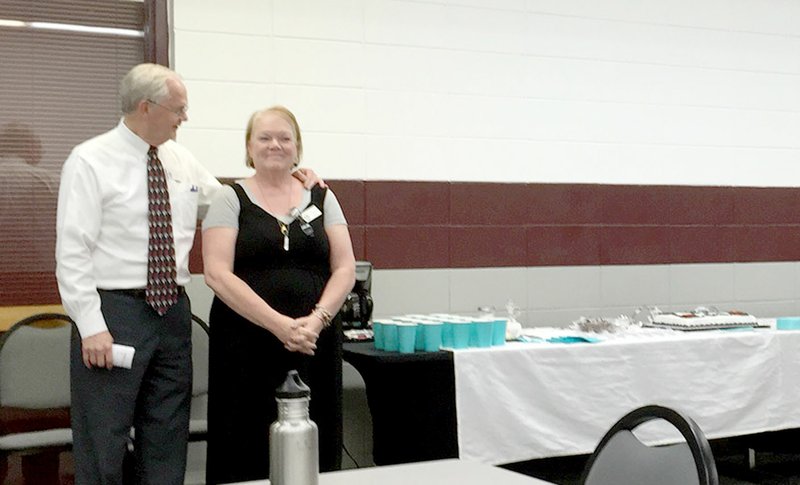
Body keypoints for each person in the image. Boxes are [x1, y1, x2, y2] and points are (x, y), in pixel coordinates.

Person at [55, 64, 322, 484]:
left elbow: (234, 203)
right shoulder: (89, 161)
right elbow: (72, 252)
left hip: (172, 312)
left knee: (167, 434)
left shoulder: (179, 159)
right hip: (114, 312)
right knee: (103, 439)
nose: (185, 117)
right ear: (147, 107)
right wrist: (90, 325)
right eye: (179, 109)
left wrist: (287, 180)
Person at [202, 106, 356, 484]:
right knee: (244, 437)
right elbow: (217, 274)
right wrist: (280, 326)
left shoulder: (321, 196)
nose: (275, 145)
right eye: (265, 138)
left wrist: (317, 321)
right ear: (249, 147)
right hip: (245, 343)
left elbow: (346, 267)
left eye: (285, 138)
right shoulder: (230, 198)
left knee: (315, 437)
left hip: (312, 341)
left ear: (297, 147)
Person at [0, 122, 57, 273]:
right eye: (38, 145)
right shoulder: (51, 183)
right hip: (41, 276)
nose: (42, 152)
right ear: (27, 146)